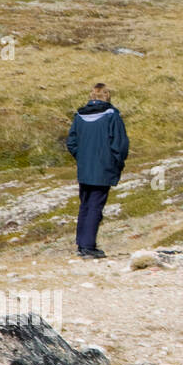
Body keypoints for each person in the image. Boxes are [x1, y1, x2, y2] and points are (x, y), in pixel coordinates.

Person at [66, 83, 129, 258]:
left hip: (85, 169)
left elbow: (71, 142)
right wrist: (117, 162)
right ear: (107, 95)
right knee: (95, 206)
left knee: (85, 204)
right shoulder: (112, 116)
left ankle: (82, 244)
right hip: (103, 168)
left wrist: (82, 157)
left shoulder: (79, 116)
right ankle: (88, 247)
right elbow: (120, 144)